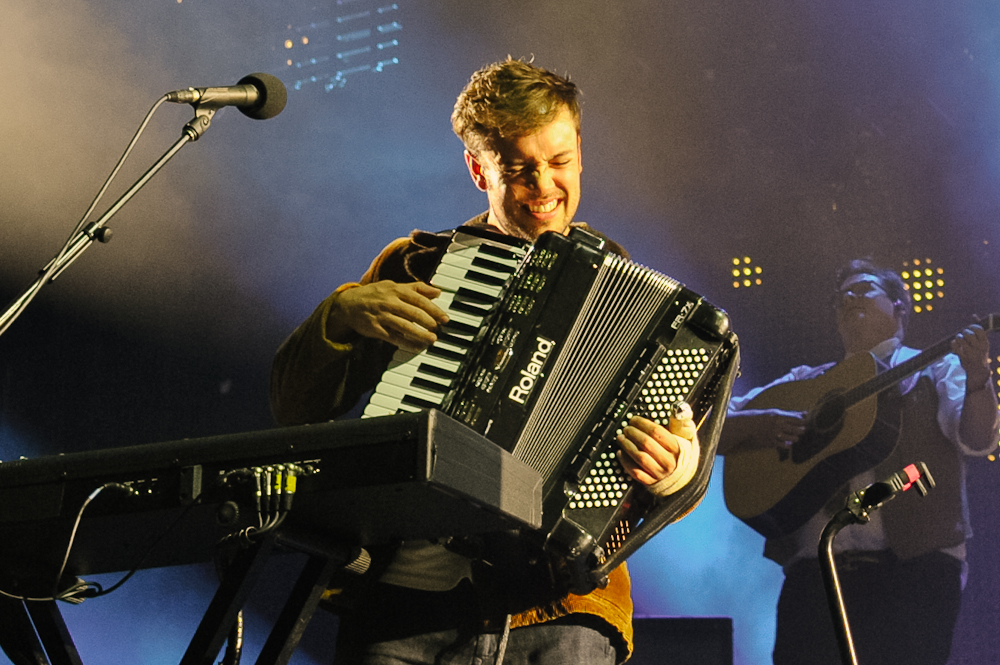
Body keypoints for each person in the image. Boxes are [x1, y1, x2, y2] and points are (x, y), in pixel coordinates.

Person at [270, 58, 703, 665]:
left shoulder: (627, 287)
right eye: (519, 168)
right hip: (404, 611)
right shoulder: (415, 266)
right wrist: (337, 317)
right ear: (479, 169)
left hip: (560, 611)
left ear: (580, 153)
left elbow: (687, 452)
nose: (545, 186)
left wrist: (673, 469)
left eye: (558, 162)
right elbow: (294, 407)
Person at [718, 258, 998, 665]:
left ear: (900, 306)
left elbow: (977, 439)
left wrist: (978, 377)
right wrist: (760, 424)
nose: (849, 297)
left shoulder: (938, 368)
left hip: (913, 575)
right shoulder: (804, 381)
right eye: (841, 296)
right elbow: (711, 432)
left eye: (864, 288)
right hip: (815, 580)